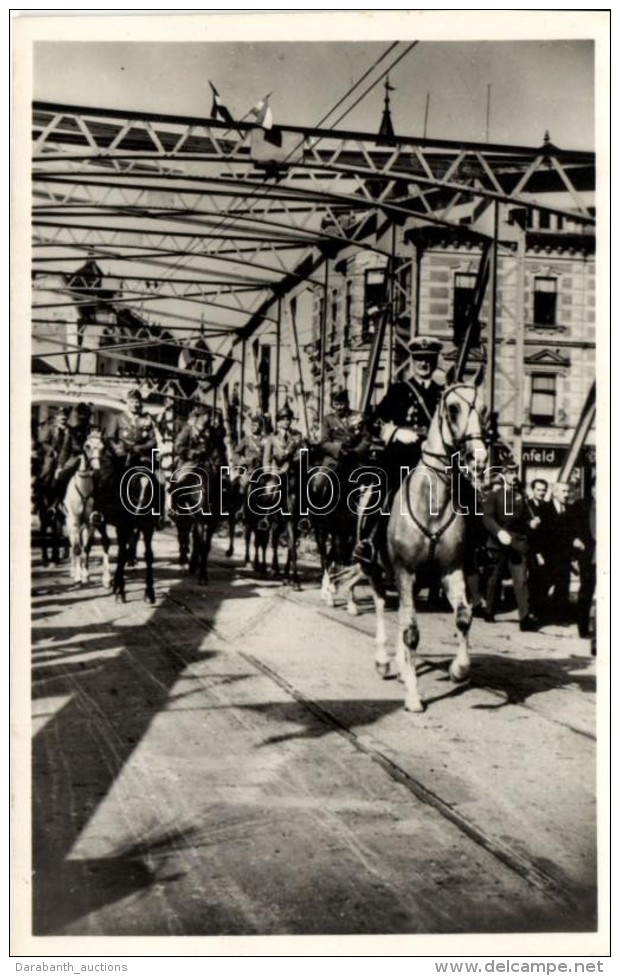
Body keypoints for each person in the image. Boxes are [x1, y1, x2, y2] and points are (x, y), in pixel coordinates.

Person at [353, 335, 445, 568]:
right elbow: (373, 421)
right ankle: (368, 543)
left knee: (465, 492)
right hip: (402, 457)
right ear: (413, 361)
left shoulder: (441, 393)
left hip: (434, 458)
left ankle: (475, 549)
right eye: (419, 359)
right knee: (382, 491)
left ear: (434, 362)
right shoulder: (399, 390)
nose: (424, 364)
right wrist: (395, 433)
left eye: (428, 360)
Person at [482, 459, 540, 631]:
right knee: (495, 578)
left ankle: (524, 618)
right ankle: (489, 610)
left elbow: (526, 518)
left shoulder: (521, 495)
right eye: (509, 472)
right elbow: (487, 517)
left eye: (515, 472)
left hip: (517, 541)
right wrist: (499, 532)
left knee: (521, 580)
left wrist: (531, 523)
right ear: (503, 475)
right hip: (499, 540)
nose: (513, 476)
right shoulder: (494, 495)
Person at [108, 389, 165, 521]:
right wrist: (118, 449)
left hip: (142, 458)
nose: (135, 405)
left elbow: (153, 440)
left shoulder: (147, 419)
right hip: (122, 457)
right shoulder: (118, 418)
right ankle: (106, 511)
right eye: (133, 402)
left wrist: (141, 447)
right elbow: (110, 437)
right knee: (108, 479)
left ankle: (158, 514)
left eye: (138, 402)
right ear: (127, 402)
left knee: (158, 481)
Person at [319, 388, 371, 472]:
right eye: (336, 404)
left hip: (355, 458)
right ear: (332, 404)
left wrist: (355, 452)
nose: (339, 408)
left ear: (347, 403)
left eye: (341, 404)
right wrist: (338, 450)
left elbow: (366, 439)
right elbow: (324, 441)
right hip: (334, 458)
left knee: (364, 480)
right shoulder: (328, 419)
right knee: (319, 483)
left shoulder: (359, 416)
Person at [527, 478, 553, 620]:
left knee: (546, 580)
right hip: (533, 550)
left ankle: (540, 609)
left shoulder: (547, 507)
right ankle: (532, 610)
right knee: (535, 580)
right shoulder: (527, 506)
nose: (542, 493)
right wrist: (537, 553)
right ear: (533, 490)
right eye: (539, 490)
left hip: (547, 549)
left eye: (544, 490)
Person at [262, 402, 304, 475]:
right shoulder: (272, 437)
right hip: (276, 470)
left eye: (288, 419)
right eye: (283, 420)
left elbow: (302, 451)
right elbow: (267, 457)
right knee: (271, 486)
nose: (286, 422)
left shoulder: (297, 435)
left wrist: (293, 460)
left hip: (293, 470)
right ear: (278, 422)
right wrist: (267, 471)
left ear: (291, 421)